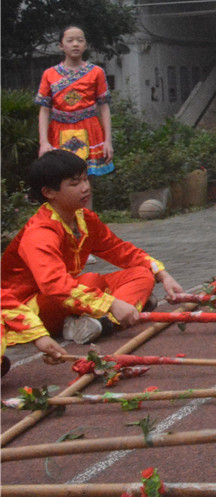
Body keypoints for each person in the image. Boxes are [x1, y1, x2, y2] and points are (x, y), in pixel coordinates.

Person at [1, 151, 184, 376]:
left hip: (68, 294)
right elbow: (54, 285)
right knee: (91, 280)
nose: (85, 187)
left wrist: (162, 275)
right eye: (74, 183)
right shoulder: (39, 232)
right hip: (29, 305)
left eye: (86, 179)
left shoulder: (84, 218)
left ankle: (101, 322)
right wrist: (110, 303)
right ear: (49, 193)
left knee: (139, 274)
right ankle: (108, 317)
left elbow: (119, 249)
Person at [36, 26, 114, 176]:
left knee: (85, 180)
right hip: (58, 130)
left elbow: (103, 107)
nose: (75, 44)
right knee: (60, 180)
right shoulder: (49, 74)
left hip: (90, 129)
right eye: (70, 40)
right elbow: (44, 110)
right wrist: (44, 142)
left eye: (80, 40)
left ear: (85, 45)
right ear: (61, 45)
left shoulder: (96, 72)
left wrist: (108, 141)